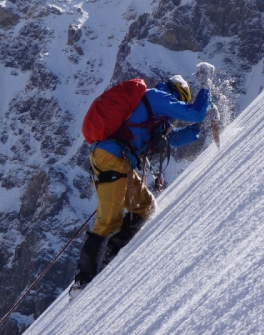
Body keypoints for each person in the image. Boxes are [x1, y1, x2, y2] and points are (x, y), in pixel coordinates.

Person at [70, 75, 211, 298]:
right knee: (108, 220)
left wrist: (200, 130)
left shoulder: (156, 115)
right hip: (113, 159)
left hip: (118, 161)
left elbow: (173, 139)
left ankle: (109, 254)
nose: (176, 109)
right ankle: (83, 280)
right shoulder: (157, 98)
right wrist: (207, 89)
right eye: (180, 100)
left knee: (145, 207)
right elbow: (195, 112)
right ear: (177, 93)